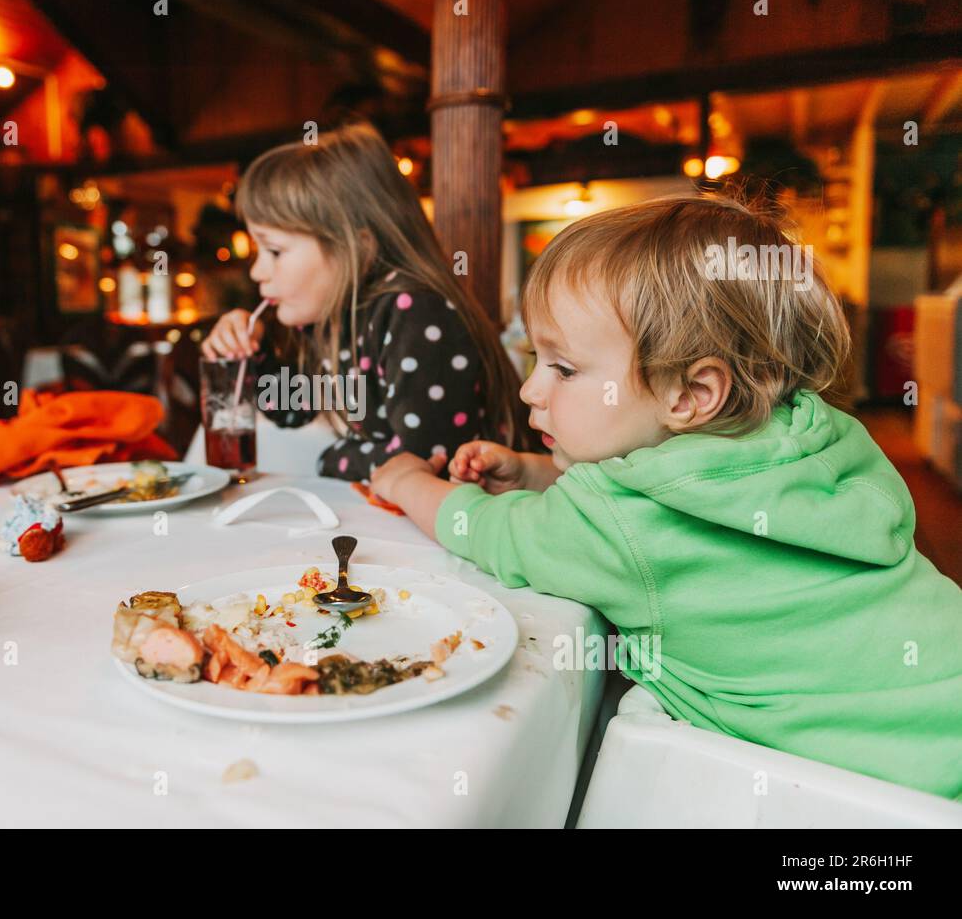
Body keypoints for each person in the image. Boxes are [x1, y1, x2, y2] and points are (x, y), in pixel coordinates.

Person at [370, 194, 962, 799]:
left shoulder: (619, 526)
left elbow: (489, 530)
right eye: (534, 359)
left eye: (564, 369)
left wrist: (405, 480)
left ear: (691, 395)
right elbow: (672, 501)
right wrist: (534, 473)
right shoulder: (819, 434)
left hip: (898, 804)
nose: (530, 390)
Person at [200, 122, 527, 480]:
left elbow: (427, 460)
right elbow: (291, 409)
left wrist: (333, 459)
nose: (257, 271)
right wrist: (252, 351)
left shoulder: (413, 310)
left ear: (357, 247)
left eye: (275, 251)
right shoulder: (341, 318)